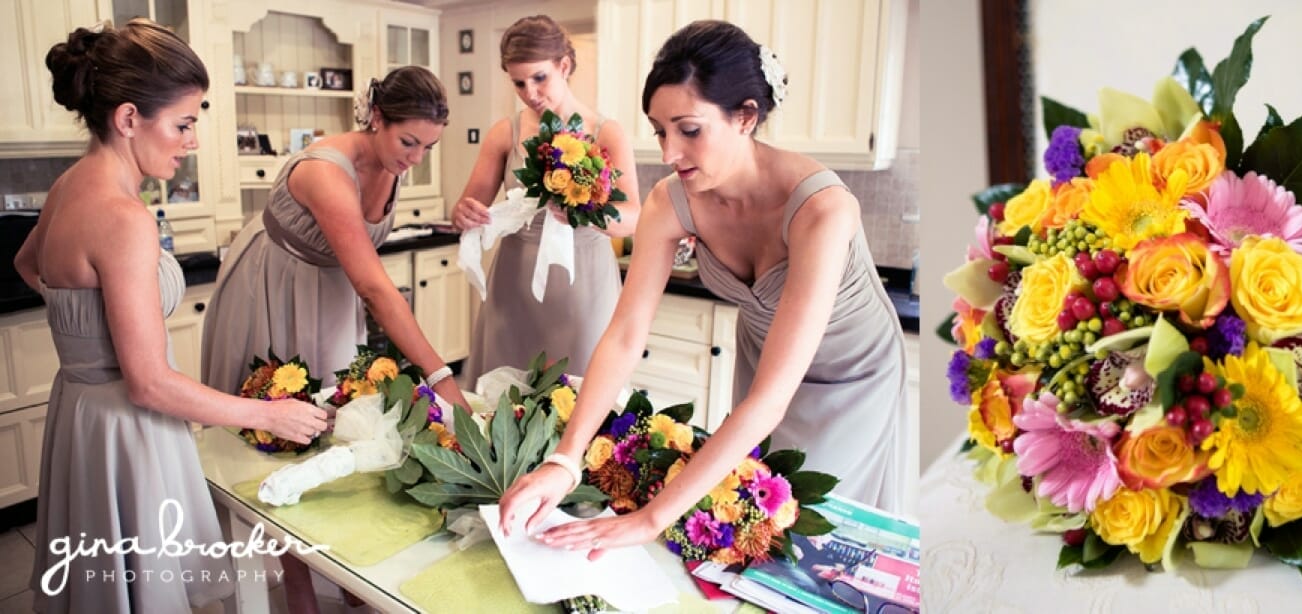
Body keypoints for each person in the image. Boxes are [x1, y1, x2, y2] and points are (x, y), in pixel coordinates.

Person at [498, 20, 910, 556]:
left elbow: (771, 400)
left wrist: (651, 519)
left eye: (689, 130)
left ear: (745, 117)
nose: (669, 153)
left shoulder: (822, 210)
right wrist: (565, 460)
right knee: (754, 519)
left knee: (817, 533)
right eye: (659, 130)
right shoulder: (673, 200)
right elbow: (624, 335)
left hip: (855, 378)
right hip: (763, 360)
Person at [16, 19, 327, 612]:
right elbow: (150, 382)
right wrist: (270, 414)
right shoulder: (122, 217)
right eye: (183, 123)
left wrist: (87, 343)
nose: (192, 140)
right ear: (129, 119)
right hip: (126, 427)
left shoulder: (67, 188)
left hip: (80, 415)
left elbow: (27, 262)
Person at [199, 64, 461, 613]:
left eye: (427, 147)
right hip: (273, 288)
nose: (414, 157)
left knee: (341, 424)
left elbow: (360, 274)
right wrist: (440, 375)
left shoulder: (394, 162)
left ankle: (334, 561)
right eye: (408, 141)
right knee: (280, 437)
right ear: (376, 118)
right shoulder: (325, 170)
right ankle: (297, 584)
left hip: (331, 295)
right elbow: (373, 283)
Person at [450, 15, 641, 387]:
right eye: (518, 83)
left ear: (563, 66)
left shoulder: (607, 132)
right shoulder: (504, 132)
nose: (530, 93)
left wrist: (584, 210)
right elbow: (468, 206)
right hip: (514, 284)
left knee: (580, 396)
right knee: (502, 399)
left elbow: (634, 217)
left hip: (583, 285)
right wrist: (464, 213)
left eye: (539, 78)